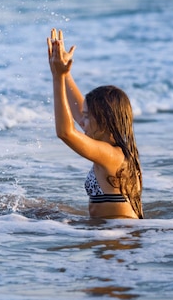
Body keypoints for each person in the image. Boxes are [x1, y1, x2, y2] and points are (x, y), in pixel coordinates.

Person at [47, 29, 143, 219]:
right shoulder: (113, 146)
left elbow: (65, 132)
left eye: (88, 117)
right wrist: (65, 73)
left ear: (105, 121)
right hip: (112, 235)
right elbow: (76, 110)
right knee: (41, 209)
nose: (82, 121)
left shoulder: (112, 155)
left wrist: (57, 77)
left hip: (119, 240)